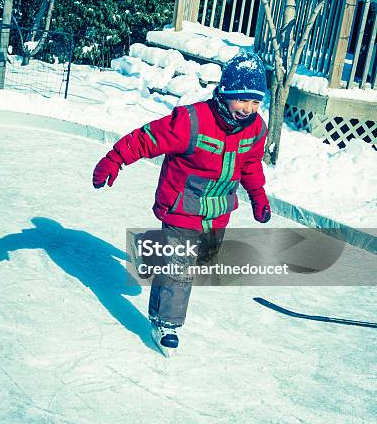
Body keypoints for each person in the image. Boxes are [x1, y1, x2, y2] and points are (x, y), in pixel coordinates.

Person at [92, 51, 271, 356]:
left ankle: (160, 264)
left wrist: (258, 197)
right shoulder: (192, 121)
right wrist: (114, 159)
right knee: (180, 266)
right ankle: (166, 324)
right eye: (242, 100)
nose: (249, 108)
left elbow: (251, 165)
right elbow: (146, 139)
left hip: (217, 211)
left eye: (255, 102)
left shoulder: (255, 129)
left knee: (196, 261)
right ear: (225, 93)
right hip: (181, 207)